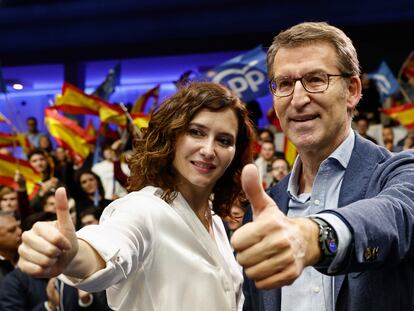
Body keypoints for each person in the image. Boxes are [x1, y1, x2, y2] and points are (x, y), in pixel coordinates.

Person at [17, 81, 255, 311]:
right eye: (196, 132)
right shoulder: (143, 208)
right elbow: (110, 247)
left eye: (224, 140)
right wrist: (71, 255)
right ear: (171, 137)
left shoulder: (214, 221)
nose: (208, 150)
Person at [231, 21, 414, 311]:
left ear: (352, 90)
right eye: (285, 84)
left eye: (316, 79)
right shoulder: (264, 211)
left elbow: (392, 218)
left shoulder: (399, 174)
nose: (299, 99)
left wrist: (316, 237)